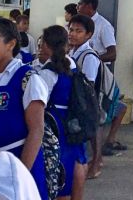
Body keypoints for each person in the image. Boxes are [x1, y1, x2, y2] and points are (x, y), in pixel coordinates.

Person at [0, 17, 49, 199]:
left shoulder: (28, 79)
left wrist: (21, 175)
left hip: (19, 162)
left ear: (11, 44)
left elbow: (36, 131)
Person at [76, 0, 127, 165]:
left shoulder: (104, 26)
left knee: (97, 113)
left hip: (96, 76)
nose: (78, 7)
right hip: (81, 73)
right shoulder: (80, 23)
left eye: (80, 4)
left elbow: (112, 54)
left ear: (90, 6)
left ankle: (97, 158)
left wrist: (92, 57)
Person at [39, 25, 87, 200]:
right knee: (76, 162)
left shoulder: (49, 70)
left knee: (58, 170)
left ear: (46, 44)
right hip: (72, 120)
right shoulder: (71, 63)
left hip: (55, 124)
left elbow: (40, 102)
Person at [67, 14, 102, 179]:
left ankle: (95, 162)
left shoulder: (89, 56)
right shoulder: (72, 51)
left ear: (88, 35)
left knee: (91, 131)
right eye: (71, 29)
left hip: (86, 103)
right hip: (77, 101)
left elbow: (88, 85)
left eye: (78, 31)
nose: (73, 34)